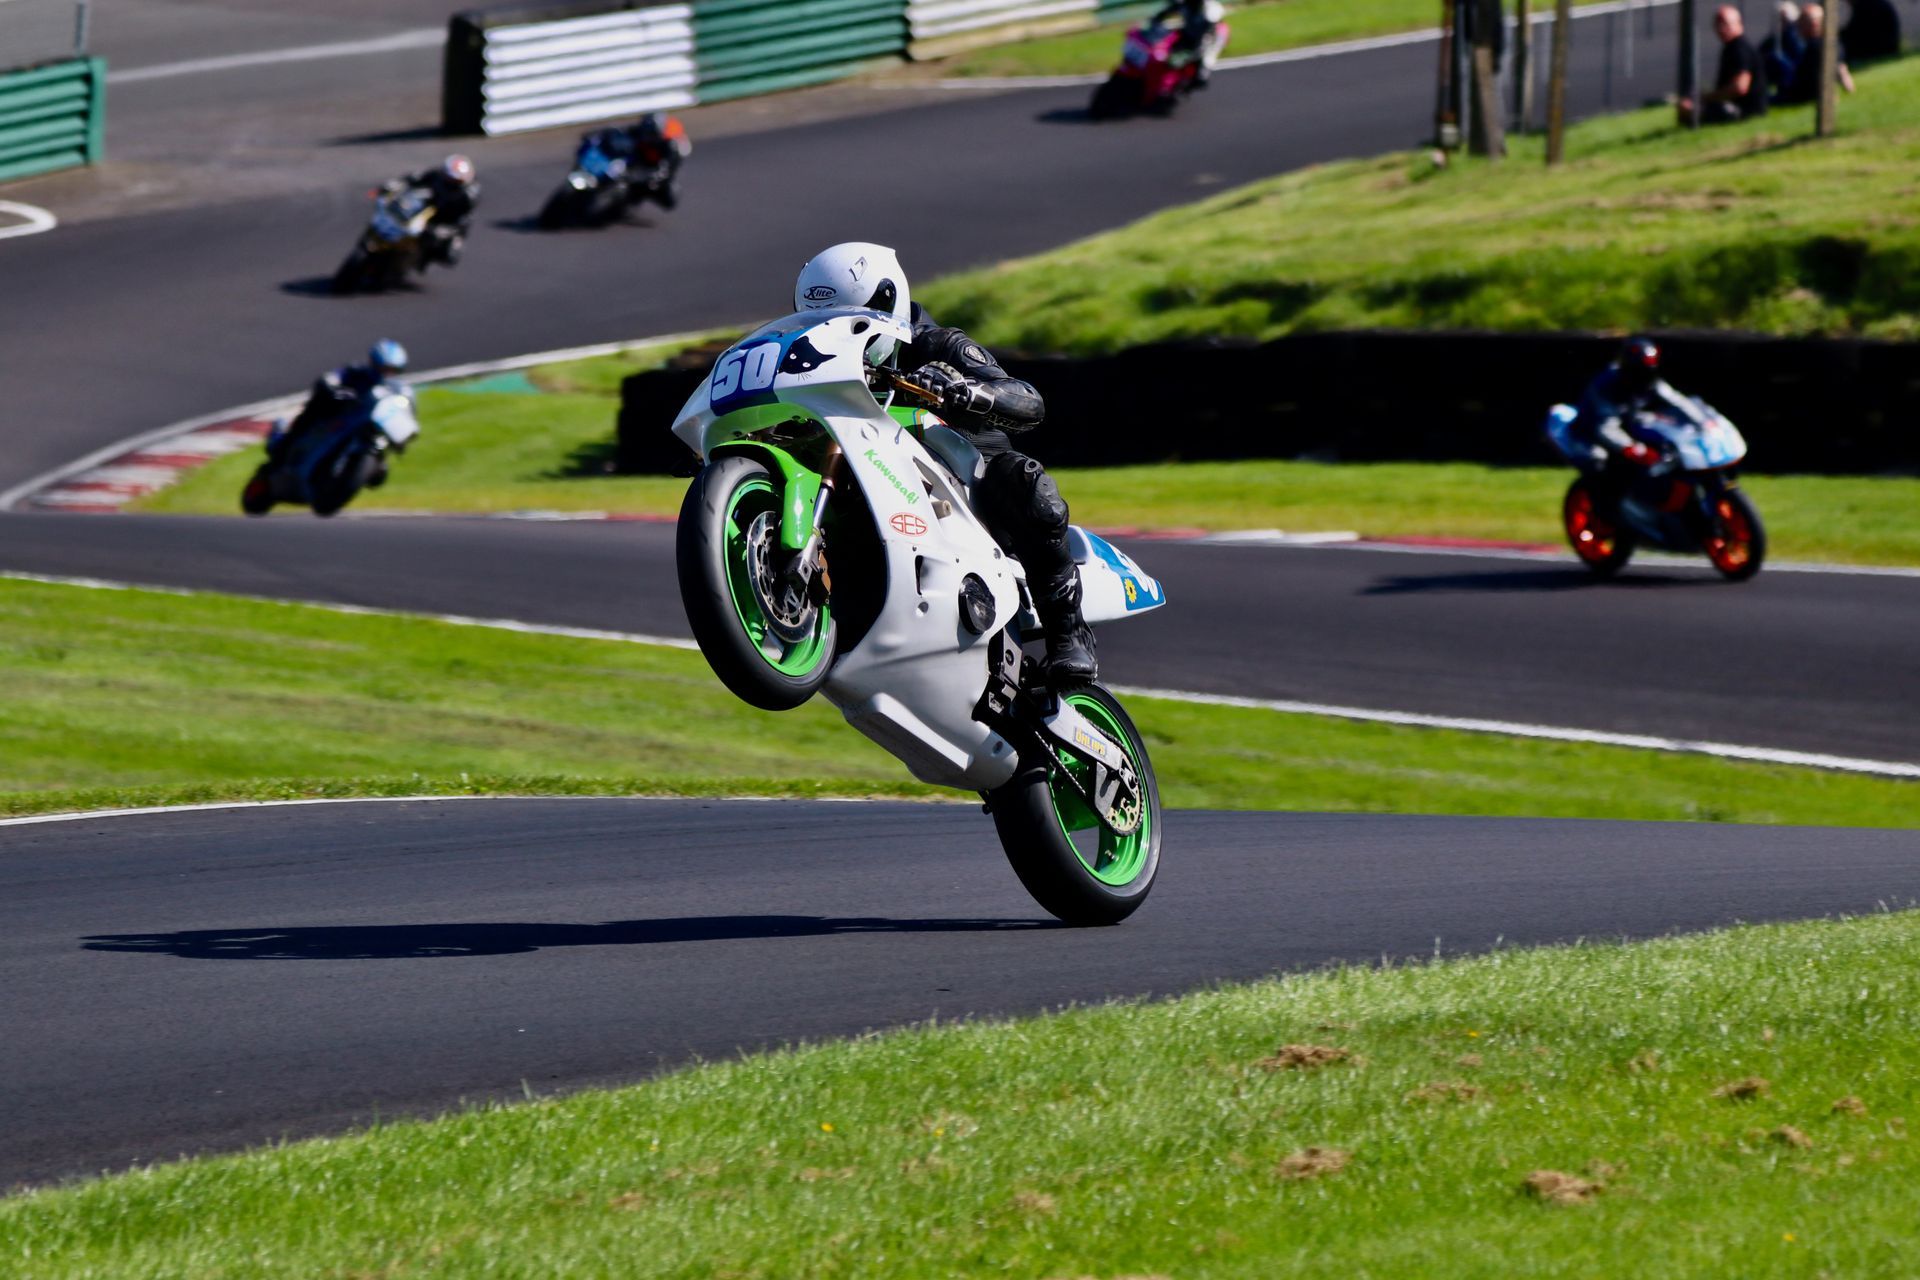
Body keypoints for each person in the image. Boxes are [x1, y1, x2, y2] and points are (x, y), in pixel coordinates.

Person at [791, 242, 1096, 688]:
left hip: (968, 486)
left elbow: (1028, 400)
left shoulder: (934, 343)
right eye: (820, 322)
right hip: (875, 486)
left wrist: (970, 391)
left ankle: (1069, 636)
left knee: (1024, 480)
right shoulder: (809, 361)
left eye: (848, 319)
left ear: (887, 302)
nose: (835, 333)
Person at [1564, 337, 1702, 475]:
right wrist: (1635, 449)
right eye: (1639, 372)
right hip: (1589, 436)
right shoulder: (1605, 386)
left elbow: (1677, 400)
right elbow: (1606, 428)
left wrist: (1703, 422)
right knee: (1599, 459)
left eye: (1648, 371)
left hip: (1623, 428)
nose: (1644, 377)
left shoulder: (1650, 381)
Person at [272, 340, 411, 465]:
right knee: (316, 408)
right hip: (344, 415)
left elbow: (409, 414)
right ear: (374, 363)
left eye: (392, 370)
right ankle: (286, 441)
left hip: (370, 428)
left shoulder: (401, 391)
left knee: (381, 463)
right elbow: (334, 377)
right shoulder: (357, 373)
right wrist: (334, 388)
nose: (387, 374)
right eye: (384, 369)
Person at [1678, 6, 1768, 123]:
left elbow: (1739, 87)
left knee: (1688, 108)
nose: (1721, 28)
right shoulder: (1731, 47)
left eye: (1725, 23)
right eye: (1717, 24)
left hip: (1745, 110)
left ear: (1738, 23)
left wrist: (1707, 98)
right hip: (1735, 106)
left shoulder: (1740, 48)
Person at [392, 155, 479, 265]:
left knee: (445, 250)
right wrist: (398, 183)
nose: (451, 182)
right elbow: (415, 178)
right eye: (449, 178)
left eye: (455, 181)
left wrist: (441, 230)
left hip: (447, 222)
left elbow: (462, 221)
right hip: (428, 209)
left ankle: (419, 259)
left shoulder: (468, 196)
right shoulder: (437, 176)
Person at [1775, 3, 1856, 103]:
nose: (1798, 28)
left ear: (1814, 24)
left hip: (1801, 93)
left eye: (1801, 24)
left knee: (1777, 58)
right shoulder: (1831, 43)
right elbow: (1841, 68)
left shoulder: (1814, 48)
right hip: (1800, 87)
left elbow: (1815, 79)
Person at [1150, 0, 1226, 87]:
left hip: (1210, 37)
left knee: (1205, 57)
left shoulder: (1210, 9)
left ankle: (1202, 74)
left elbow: (1210, 32)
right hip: (1189, 34)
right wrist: (1156, 19)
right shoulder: (1183, 4)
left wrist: (1196, 50)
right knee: (1167, 47)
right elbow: (1165, 13)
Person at [1760, 2, 1807, 90]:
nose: (1780, 22)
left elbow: (1798, 60)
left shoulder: (1794, 36)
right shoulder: (1777, 36)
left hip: (1792, 76)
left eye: (1783, 19)